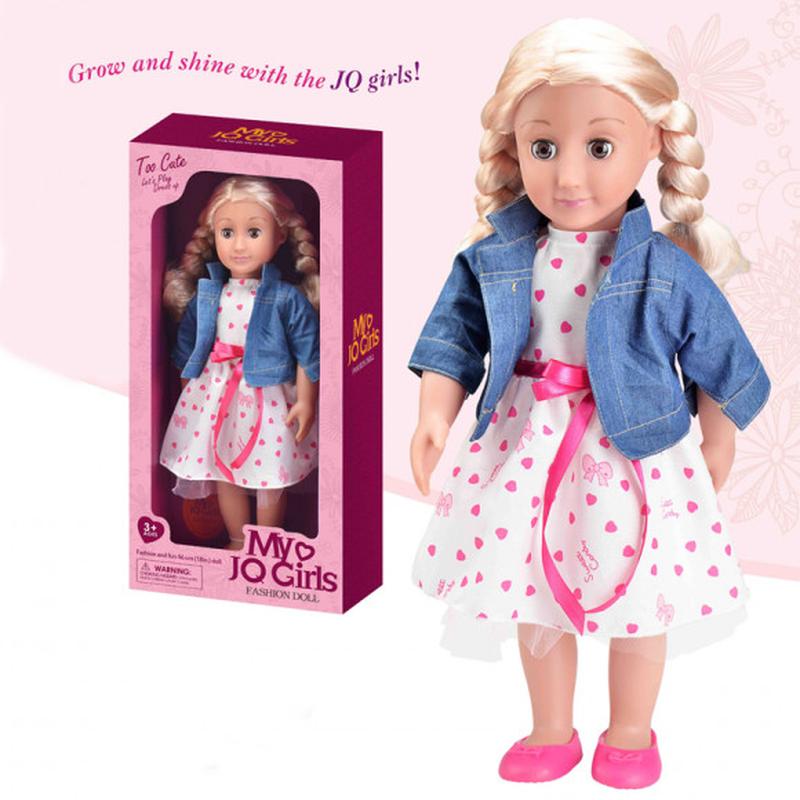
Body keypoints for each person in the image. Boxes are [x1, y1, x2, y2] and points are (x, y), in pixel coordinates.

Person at [407, 18, 770, 789]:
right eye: (544, 148)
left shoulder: (664, 265)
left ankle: (631, 730)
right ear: (515, 149)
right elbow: (453, 334)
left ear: (654, 144)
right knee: (534, 590)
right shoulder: (499, 255)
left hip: (635, 453)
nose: (569, 176)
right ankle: (551, 728)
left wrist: (719, 436)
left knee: (640, 592)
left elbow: (719, 354)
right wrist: (435, 410)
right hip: (525, 450)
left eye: (599, 147)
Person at [161, 175, 320, 548]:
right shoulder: (207, 295)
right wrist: (188, 387)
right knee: (222, 470)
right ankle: (237, 539)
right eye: (227, 232)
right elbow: (188, 346)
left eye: (253, 232)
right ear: (213, 236)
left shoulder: (286, 298)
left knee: (270, 473)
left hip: (267, 398)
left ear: (279, 236)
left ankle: (265, 542)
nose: (238, 245)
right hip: (215, 393)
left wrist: (306, 399)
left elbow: (307, 351)